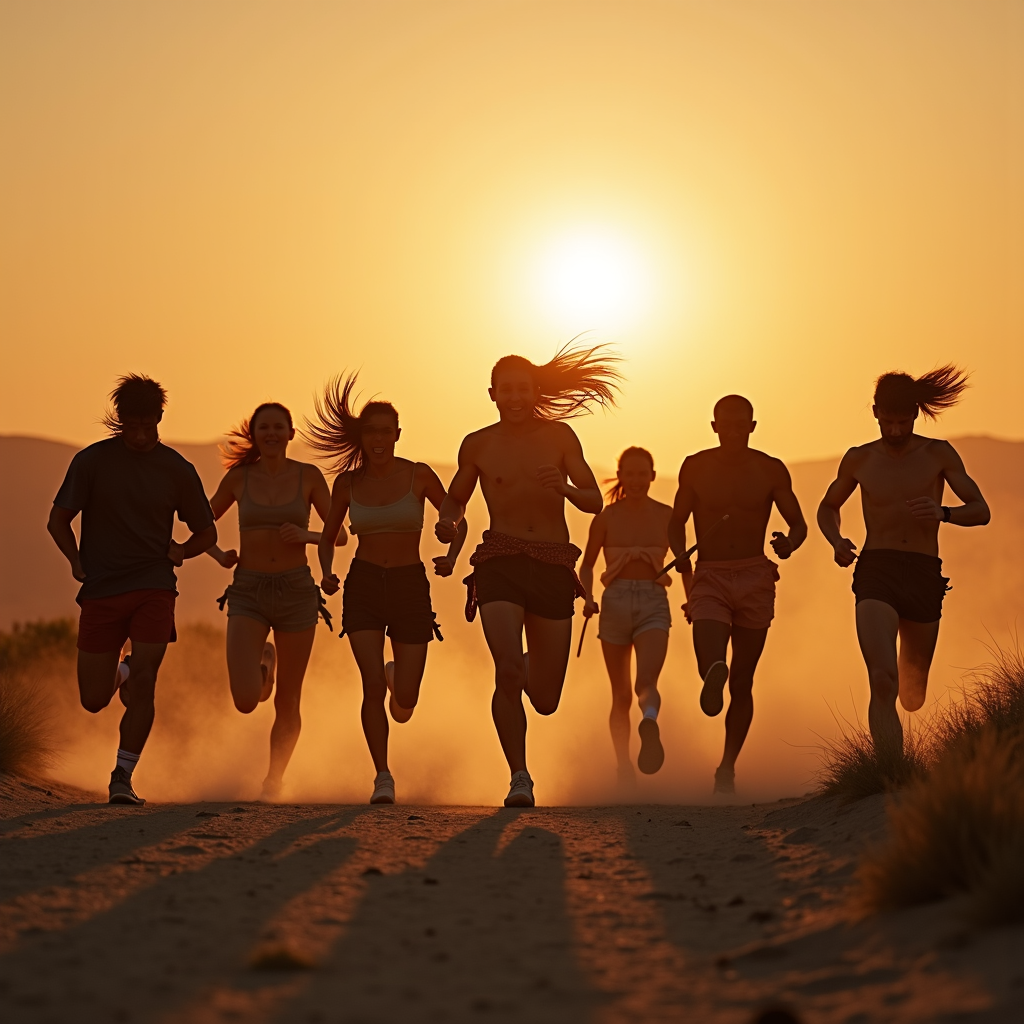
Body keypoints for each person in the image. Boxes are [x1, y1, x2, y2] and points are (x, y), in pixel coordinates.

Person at [437, 343, 621, 807]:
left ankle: (521, 661)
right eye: (506, 390)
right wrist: (447, 521)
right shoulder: (477, 444)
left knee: (544, 698)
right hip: (500, 559)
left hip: (553, 563)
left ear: (534, 391)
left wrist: (564, 486)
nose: (515, 397)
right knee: (508, 669)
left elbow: (594, 501)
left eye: (523, 389)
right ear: (493, 395)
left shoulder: (560, 437)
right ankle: (519, 776)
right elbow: (456, 499)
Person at [47, 375, 216, 805]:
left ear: (160, 418)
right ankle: (120, 671)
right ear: (119, 419)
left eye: (149, 426)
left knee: (145, 683)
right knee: (93, 699)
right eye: (131, 426)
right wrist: (75, 561)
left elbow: (206, 533)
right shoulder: (91, 462)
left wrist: (180, 551)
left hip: (154, 587)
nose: (140, 436)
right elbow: (57, 521)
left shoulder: (177, 469)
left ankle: (122, 776)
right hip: (101, 588)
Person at [309, 374, 468, 805]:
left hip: (409, 585)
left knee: (406, 699)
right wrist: (325, 572)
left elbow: (458, 517)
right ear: (362, 437)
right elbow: (328, 536)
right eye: (371, 431)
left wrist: (451, 550)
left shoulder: (418, 476)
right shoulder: (347, 484)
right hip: (362, 584)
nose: (378, 439)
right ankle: (382, 776)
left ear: (397, 435)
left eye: (385, 431)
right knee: (371, 685)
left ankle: (401, 680)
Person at [817, 366, 989, 759]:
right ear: (875, 412)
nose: (894, 431)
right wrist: (836, 540)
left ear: (915, 414)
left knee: (911, 694)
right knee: (882, 679)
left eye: (902, 422)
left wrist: (943, 513)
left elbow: (981, 511)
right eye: (887, 422)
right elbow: (828, 507)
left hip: (924, 573)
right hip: (877, 568)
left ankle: (905, 721)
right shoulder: (859, 459)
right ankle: (889, 774)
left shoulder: (938, 453)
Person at [669, 395, 806, 795]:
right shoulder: (695, 467)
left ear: (752, 426)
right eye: (724, 425)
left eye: (739, 425)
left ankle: (727, 767)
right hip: (708, 574)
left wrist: (788, 543)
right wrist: (682, 560)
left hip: (755, 575)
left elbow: (798, 524)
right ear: (713, 426)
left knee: (743, 679)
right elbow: (676, 523)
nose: (731, 432)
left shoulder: (770, 469)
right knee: (713, 661)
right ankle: (711, 677)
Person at [204, 401, 336, 801]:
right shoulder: (238, 478)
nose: (272, 434)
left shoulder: (309, 476)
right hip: (248, 590)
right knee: (245, 701)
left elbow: (340, 534)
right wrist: (218, 554)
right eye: (265, 428)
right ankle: (265, 665)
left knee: (288, 699)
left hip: (297, 591)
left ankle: (273, 779)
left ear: (291, 433)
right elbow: (202, 521)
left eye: (279, 427)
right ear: (255, 434)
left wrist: (308, 536)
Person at [580, 447, 685, 783]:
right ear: (620, 476)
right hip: (614, 604)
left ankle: (649, 723)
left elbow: (684, 564)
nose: (637, 481)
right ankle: (624, 764)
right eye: (631, 474)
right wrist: (587, 598)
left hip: (654, 602)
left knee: (645, 682)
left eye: (643, 474)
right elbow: (586, 566)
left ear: (653, 476)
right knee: (621, 694)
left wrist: (694, 599)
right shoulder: (606, 518)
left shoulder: (668, 515)